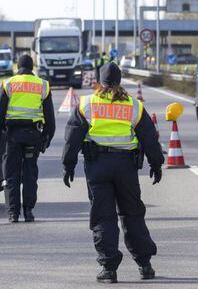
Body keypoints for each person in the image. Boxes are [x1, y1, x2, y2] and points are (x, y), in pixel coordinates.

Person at [62, 62, 164, 283]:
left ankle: (109, 269)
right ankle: (145, 265)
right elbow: (149, 138)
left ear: (99, 81)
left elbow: (72, 138)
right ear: (119, 80)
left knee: (103, 217)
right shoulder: (134, 106)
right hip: (126, 166)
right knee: (132, 214)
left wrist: (68, 165)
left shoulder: (86, 104)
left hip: (97, 166)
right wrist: (156, 164)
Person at [0, 54, 55, 223]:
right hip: (33, 135)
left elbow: (0, 113)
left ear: (18, 67)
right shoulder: (42, 85)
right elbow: (50, 118)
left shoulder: (8, 83)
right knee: (30, 173)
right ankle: (29, 211)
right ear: (32, 68)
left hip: (12, 136)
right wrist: (46, 138)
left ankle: (13, 213)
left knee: (11, 174)